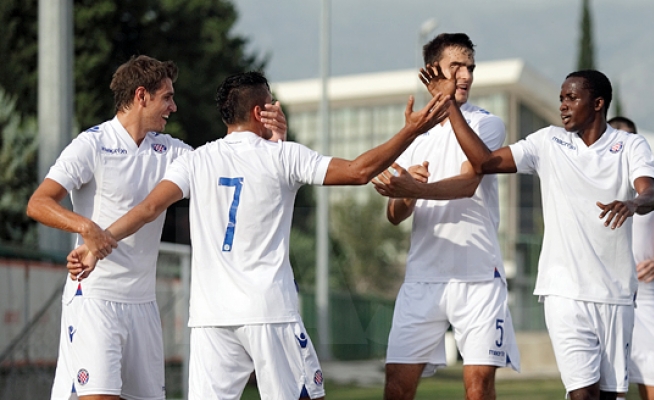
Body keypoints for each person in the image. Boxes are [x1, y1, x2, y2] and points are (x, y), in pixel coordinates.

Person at [67, 71, 450, 399]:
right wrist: (412, 129)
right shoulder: (283, 156)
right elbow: (358, 171)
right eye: (270, 104)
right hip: (269, 312)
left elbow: (148, 209)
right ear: (258, 111)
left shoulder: (196, 159)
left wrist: (94, 246)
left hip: (210, 320)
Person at [420, 66, 654, 400]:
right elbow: (485, 161)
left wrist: (633, 204)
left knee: (609, 396)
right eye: (561, 98)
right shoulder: (547, 142)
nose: (563, 105)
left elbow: (650, 192)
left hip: (616, 294)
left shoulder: (631, 145)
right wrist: (449, 106)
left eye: (572, 98)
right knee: (582, 395)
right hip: (563, 291)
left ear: (598, 103)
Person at [25, 55, 190, 400]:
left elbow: (223, 165)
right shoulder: (92, 144)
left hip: (144, 304)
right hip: (94, 299)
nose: (173, 107)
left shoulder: (171, 150)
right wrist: (87, 228)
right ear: (141, 96)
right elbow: (38, 203)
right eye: (167, 97)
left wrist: (269, 140)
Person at [371, 33, 519, 400]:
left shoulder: (486, 123)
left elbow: (469, 183)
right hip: (423, 279)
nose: (466, 76)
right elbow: (394, 214)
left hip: (479, 278)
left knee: (478, 389)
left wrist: (416, 189)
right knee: (396, 388)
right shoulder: (414, 134)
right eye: (457, 67)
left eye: (470, 68)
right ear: (431, 71)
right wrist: (406, 191)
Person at [609, 116, 654, 400]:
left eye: (628, 138)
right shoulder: (594, 182)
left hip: (645, 298)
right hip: (605, 296)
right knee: (610, 392)